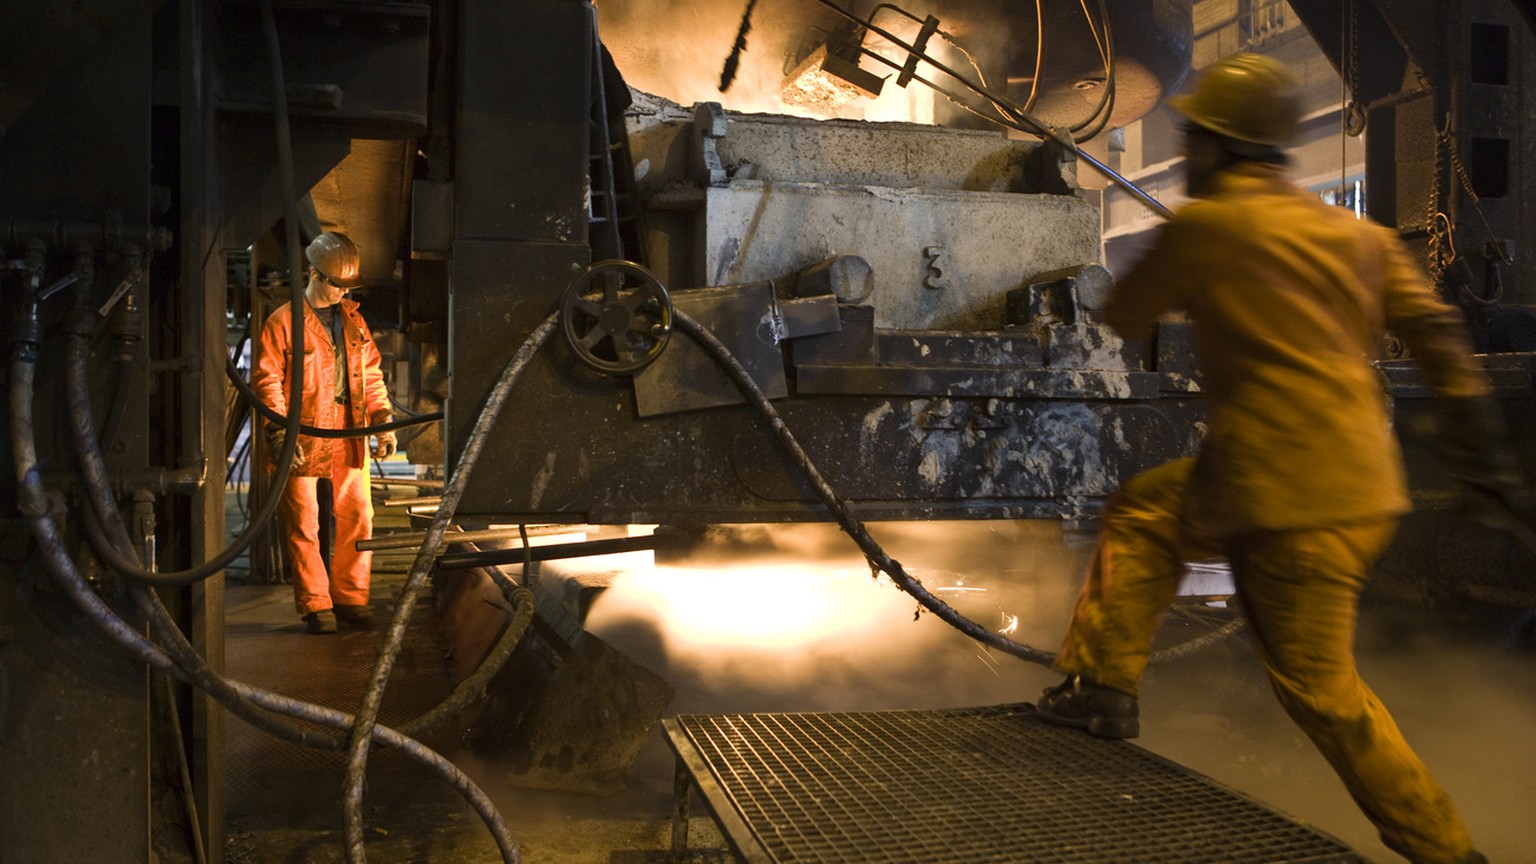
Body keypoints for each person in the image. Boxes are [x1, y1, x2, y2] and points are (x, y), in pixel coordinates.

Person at [1035, 54, 1520, 864]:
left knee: (1322, 693)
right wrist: (1483, 454)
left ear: (1220, 150)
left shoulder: (1209, 227)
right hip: (1358, 485)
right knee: (1147, 514)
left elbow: (1124, 310)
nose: (1187, 153)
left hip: (1280, 495)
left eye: (1194, 141)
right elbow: (1439, 339)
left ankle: (1447, 850)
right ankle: (1103, 688)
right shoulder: (1354, 236)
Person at [253, 231, 396, 634]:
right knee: (304, 521)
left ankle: (351, 597)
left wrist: (381, 421)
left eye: (347, 286)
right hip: (302, 433)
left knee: (358, 516)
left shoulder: (354, 321)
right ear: (313, 273)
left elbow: (370, 376)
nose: (341, 292)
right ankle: (317, 604)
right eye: (335, 284)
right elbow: (267, 383)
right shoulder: (283, 322)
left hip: (347, 429)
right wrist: (279, 435)